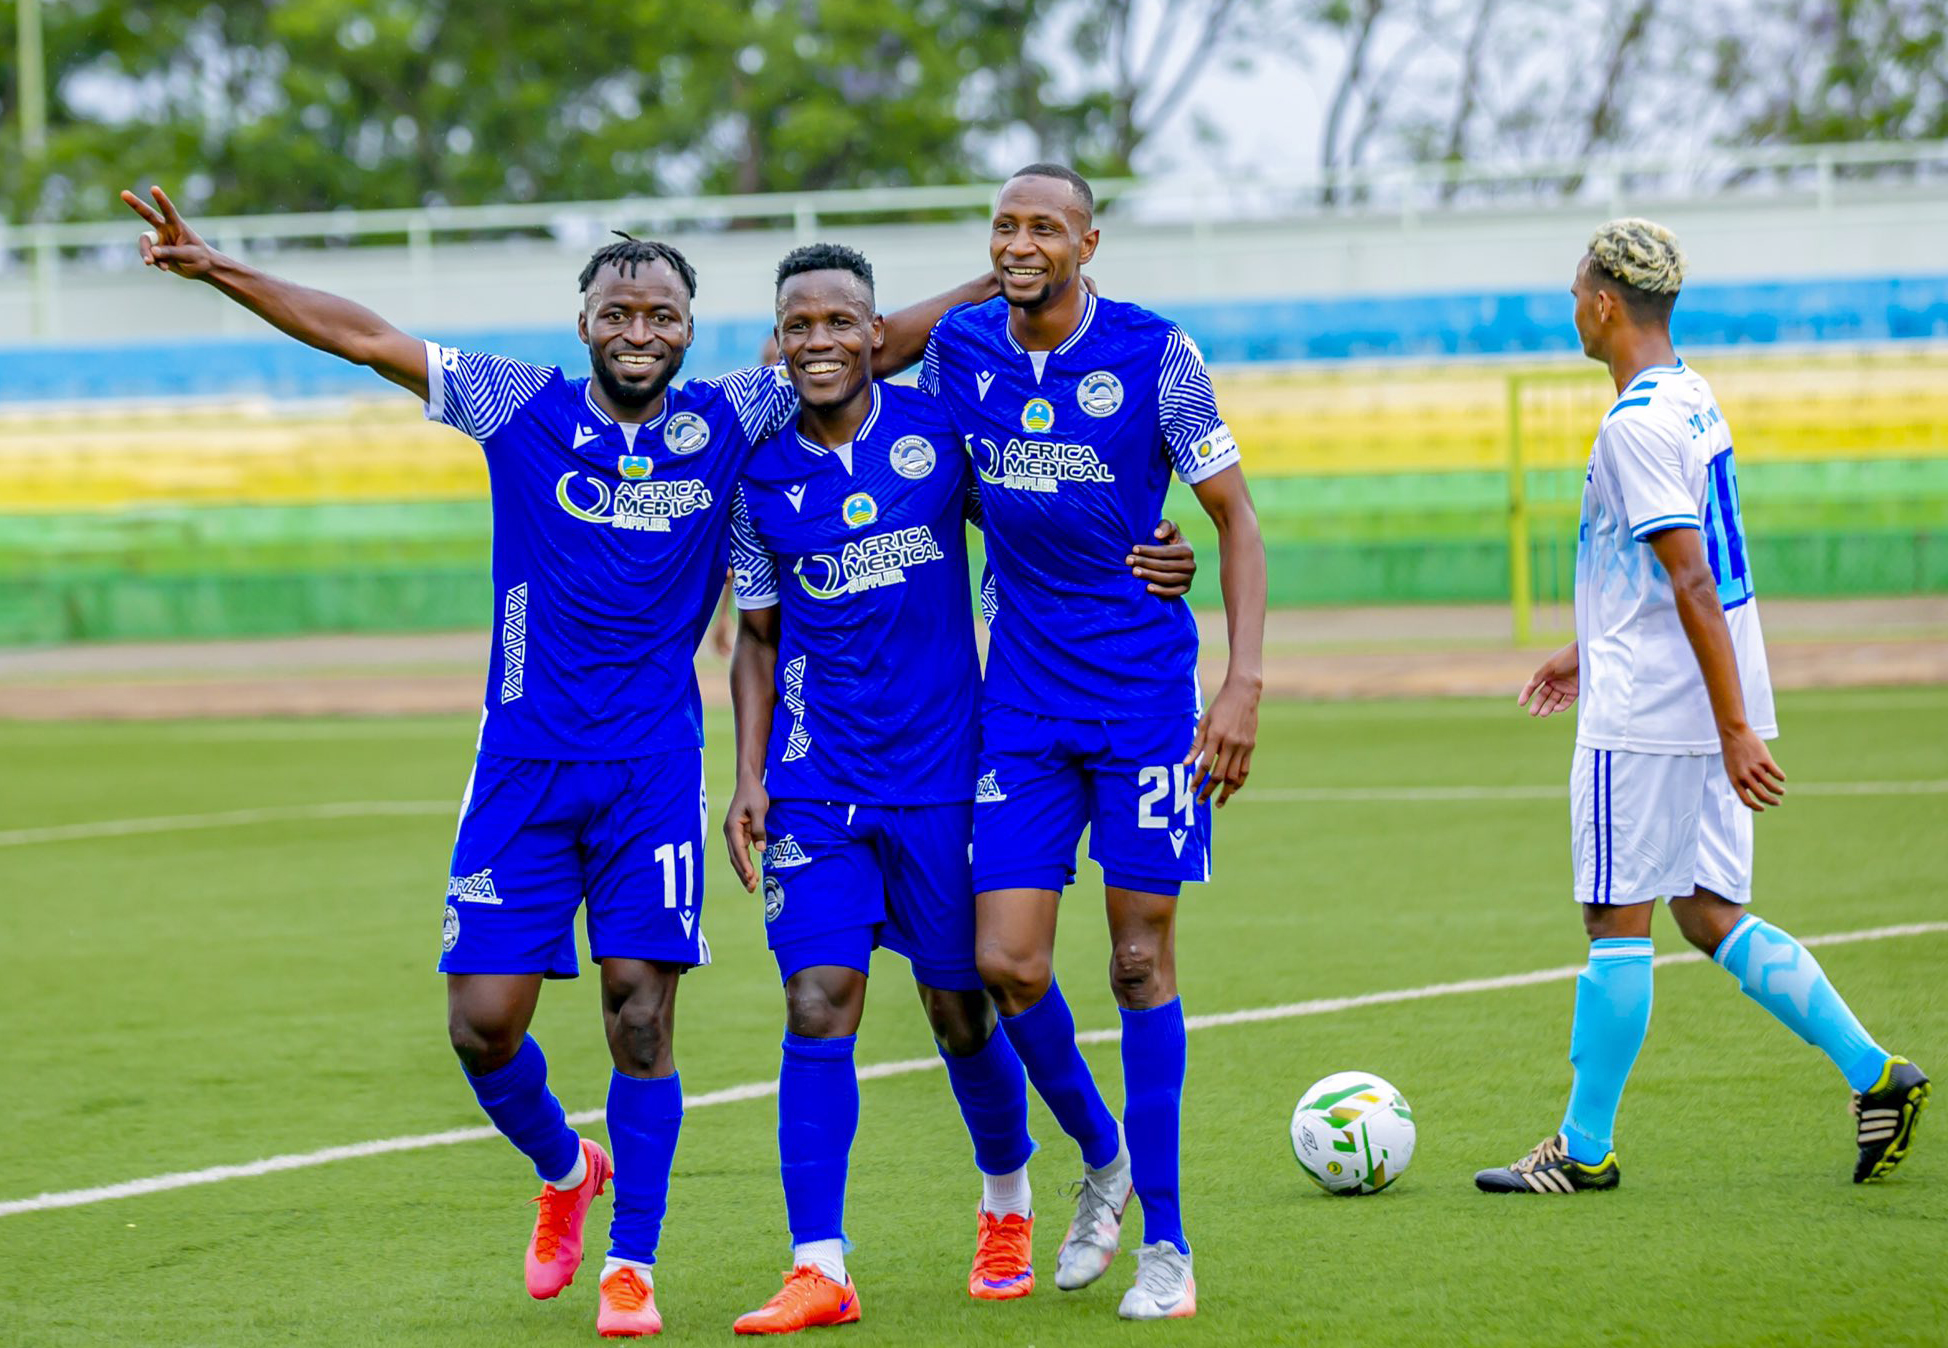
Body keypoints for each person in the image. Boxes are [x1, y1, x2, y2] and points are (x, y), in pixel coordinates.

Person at [119, 185, 990, 1338]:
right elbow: (365, 336)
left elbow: (876, 336)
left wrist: (1012, 277)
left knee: (641, 1017)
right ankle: (567, 1168)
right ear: (584, 323)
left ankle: (631, 1266)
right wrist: (218, 266)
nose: (639, 331)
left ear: (692, 330)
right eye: (618, 312)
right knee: (481, 1026)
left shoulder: (733, 414)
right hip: (521, 768)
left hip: (651, 773)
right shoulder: (516, 404)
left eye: (662, 315)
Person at [720, 242, 1200, 1334]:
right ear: (777, 343)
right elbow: (754, 636)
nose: (820, 342)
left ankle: (1019, 1191)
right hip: (815, 781)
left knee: (963, 1000)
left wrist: (1154, 551)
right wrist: (748, 773)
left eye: (842, 322)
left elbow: (1050, 516)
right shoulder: (757, 474)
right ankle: (818, 1264)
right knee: (818, 998)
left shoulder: (941, 433)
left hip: (945, 770)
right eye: (798, 326)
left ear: (877, 333)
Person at [1474, 218, 1929, 1196]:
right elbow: (1674, 572)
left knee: (1614, 918)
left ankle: (1582, 1148)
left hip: (1653, 712)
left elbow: (1690, 579)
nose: (1571, 309)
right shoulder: (1689, 395)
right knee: (1707, 911)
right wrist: (1591, 650)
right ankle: (1875, 1073)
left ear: (1605, 304)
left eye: (1575, 293)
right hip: (1701, 690)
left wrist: (1728, 730)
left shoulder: (1632, 424)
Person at [919, 164, 1268, 1321]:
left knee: (1136, 962)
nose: (1021, 244)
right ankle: (1102, 1156)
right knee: (1006, 961)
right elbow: (906, 423)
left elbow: (1234, 518)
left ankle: (1166, 1245)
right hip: (1019, 698)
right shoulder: (959, 349)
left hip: (1146, 701)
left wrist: (1240, 683)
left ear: (1088, 243)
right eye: (1004, 227)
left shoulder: (1156, 353)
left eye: (1045, 228)